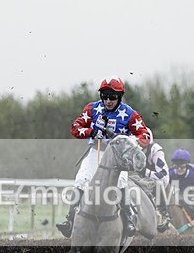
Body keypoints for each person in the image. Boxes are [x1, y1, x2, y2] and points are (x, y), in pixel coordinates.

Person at [56, 76, 150, 237]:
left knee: (120, 181)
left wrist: (125, 140)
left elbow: (145, 136)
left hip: (117, 156)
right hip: (96, 151)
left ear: (119, 97)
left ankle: (128, 218)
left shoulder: (129, 114)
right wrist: (91, 132)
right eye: (105, 96)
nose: (108, 100)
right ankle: (70, 219)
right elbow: (75, 127)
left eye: (112, 97)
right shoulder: (92, 109)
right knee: (82, 178)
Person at [133, 128, 171, 232]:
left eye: (142, 147)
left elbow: (163, 175)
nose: (140, 151)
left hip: (156, 180)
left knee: (157, 183)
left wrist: (146, 172)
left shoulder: (156, 150)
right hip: (136, 178)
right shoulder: (130, 148)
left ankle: (163, 214)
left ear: (149, 145)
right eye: (138, 147)